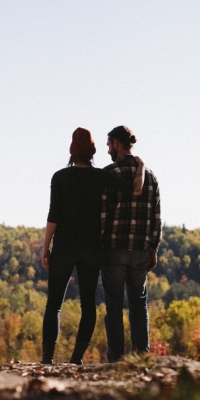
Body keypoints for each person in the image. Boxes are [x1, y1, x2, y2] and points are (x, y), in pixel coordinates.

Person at [40, 127, 145, 365]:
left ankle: (47, 359)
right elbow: (135, 189)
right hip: (92, 248)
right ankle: (76, 359)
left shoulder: (60, 177)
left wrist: (46, 247)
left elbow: (53, 215)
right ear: (93, 151)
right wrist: (141, 165)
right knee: (88, 305)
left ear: (71, 152)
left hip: (65, 246)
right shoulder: (101, 176)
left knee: (54, 304)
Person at [101, 125, 161, 362]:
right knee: (138, 303)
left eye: (108, 144)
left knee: (114, 304)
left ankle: (116, 357)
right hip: (140, 250)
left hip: (114, 249)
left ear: (116, 143)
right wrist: (153, 248)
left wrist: (101, 244)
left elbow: (103, 214)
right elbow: (156, 216)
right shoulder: (150, 176)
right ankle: (140, 356)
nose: (107, 149)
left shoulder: (109, 173)